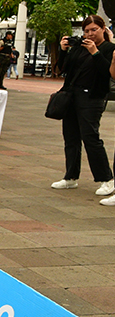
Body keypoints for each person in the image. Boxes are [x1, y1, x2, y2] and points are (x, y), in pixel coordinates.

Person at [51, 15, 115, 199]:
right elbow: (61, 69)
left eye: (94, 29)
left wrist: (95, 52)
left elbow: (107, 73)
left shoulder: (109, 48)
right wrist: (63, 50)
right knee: (70, 137)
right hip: (72, 96)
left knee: (90, 137)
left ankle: (106, 179)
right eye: (86, 30)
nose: (90, 34)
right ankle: (70, 176)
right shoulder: (79, 48)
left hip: (93, 98)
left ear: (103, 29)